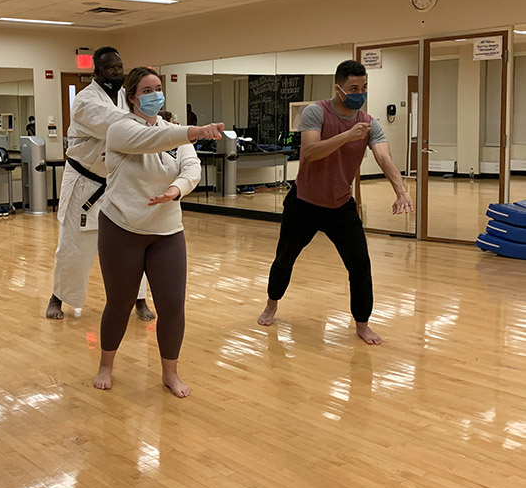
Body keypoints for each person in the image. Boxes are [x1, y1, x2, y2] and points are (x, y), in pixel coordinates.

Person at [256, 60, 414, 345]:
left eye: (364, 87)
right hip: (304, 201)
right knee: (285, 259)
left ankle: (362, 323)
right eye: (353, 88)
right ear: (339, 89)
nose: (359, 93)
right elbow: (310, 152)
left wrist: (401, 190)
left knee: (360, 265)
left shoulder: (369, 123)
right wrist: (346, 136)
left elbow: (384, 157)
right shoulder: (316, 112)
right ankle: (272, 303)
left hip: (340, 205)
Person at [93, 66, 223, 398]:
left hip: (166, 229)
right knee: (120, 303)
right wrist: (195, 131)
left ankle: (170, 373)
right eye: (147, 91)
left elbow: (191, 167)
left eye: (158, 88)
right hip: (122, 226)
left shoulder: (174, 132)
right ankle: (106, 365)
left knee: (172, 305)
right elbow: (153, 140)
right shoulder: (121, 130)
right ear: (132, 97)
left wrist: (176, 190)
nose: (154, 95)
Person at [47, 46, 154, 321]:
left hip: (118, 181)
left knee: (132, 241)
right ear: (96, 71)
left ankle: (139, 299)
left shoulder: (125, 98)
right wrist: (153, 122)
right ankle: (57, 298)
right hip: (85, 180)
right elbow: (117, 125)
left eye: (119, 67)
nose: (116, 72)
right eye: (110, 68)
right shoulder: (85, 101)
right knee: (73, 244)